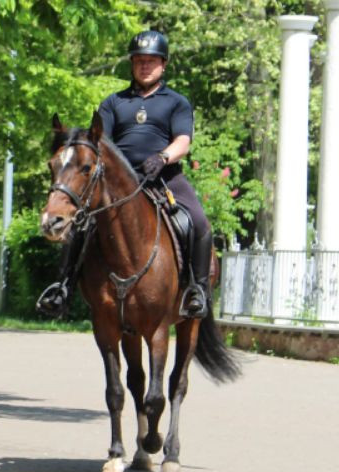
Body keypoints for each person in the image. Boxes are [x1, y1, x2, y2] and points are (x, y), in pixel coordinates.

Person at [37, 30, 212, 319]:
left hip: (164, 176)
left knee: (198, 222)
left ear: (163, 64)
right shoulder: (113, 103)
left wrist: (163, 157)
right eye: (139, 60)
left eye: (151, 61)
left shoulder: (176, 102)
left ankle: (197, 290)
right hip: (118, 183)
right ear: (132, 64)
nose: (145, 66)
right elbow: (99, 143)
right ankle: (62, 287)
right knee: (79, 225)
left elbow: (183, 141)